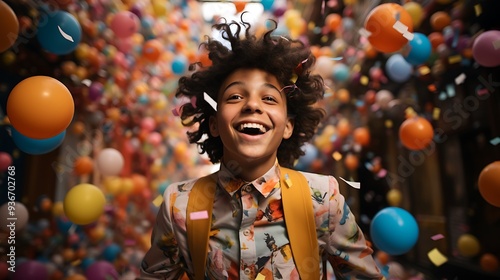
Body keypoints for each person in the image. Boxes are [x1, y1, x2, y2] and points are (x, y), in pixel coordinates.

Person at [139, 14, 383, 280]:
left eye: (268, 97)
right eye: (235, 96)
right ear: (214, 125)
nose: (252, 105)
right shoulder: (179, 205)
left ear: (288, 126)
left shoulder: (324, 198)